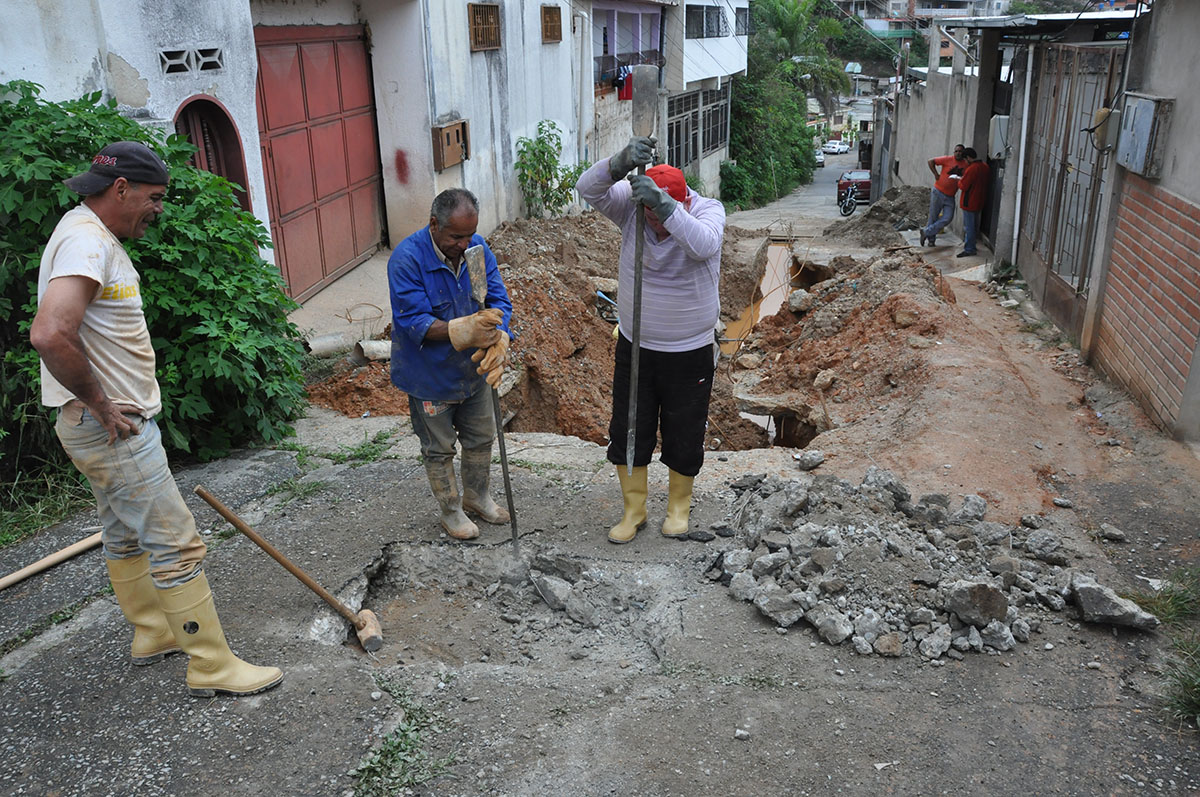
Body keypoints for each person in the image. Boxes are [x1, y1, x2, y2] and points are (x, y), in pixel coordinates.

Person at [29, 141, 282, 697]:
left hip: (101, 425)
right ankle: (212, 665)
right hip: (109, 427)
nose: (159, 208)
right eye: (155, 197)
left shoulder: (87, 235)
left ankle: (152, 633)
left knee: (126, 534)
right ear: (120, 189)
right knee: (176, 543)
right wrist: (100, 402)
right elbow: (49, 333)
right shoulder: (85, 242)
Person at [576, 138, 725, 544]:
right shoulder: (632, 206)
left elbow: (703, 245)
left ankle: (678, 508)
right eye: (649, 215)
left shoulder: (707, 211)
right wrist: (620, 163)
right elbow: (587, 189)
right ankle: (634, 510)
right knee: (630, 428)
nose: (654, 225)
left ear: (684, 201)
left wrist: (665, 208)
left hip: (689, 352)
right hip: (637, 346)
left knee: (685, 429)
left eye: (659, 214)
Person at [388, 188, 513, 542]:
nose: (464, 244)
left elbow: (498, 298)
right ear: (433, 225)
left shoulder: (477, 251)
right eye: (456, 236)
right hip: (429, 376)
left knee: (481, 436)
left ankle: (477, 496)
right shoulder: (407, 260)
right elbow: (414, 322)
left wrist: (499, 335)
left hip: (472, 372)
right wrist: (464, 329)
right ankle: (451, 510)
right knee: (439, 448)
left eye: (469, 235)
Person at [920, 143, 966, 247]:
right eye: (956, 151)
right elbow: (930, 161)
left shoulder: (965, 164)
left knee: (948, 218)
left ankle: (926, 232)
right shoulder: (947, 159)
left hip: (950, 196)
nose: (958, 153)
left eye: (960, 151)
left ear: (963, 153)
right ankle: (931, 241)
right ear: (954, 152)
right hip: (938, 192)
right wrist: (936, 174)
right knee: (933, 216)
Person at [957, 147, 991, 258]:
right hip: (980, 200)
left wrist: (959, 180)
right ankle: (972, 245)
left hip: (969, 202)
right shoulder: (985, 167)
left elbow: (963, 186)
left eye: (965, 160)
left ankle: (969, 248)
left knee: (969, 227)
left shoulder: (972, 169)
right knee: (974, 226)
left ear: (967, 158)